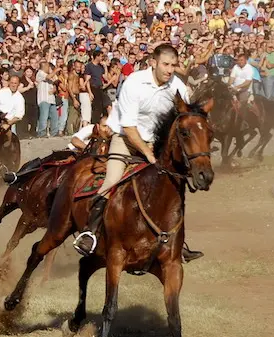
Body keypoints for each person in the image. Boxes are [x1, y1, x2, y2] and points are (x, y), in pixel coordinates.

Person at [72, 44, 204, 263]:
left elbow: (186, 118)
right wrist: (149, 154)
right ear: (153, 62)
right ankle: (90, 232)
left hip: (154, 143)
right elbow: (130, 128)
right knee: (113, 181)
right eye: (165, 64)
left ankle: (179, 243)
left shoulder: (177, 86)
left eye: (173, 65)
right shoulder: (134, 82)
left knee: (172, 187)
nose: (169, 70)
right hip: (125, 140)